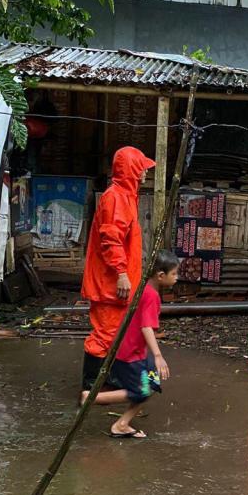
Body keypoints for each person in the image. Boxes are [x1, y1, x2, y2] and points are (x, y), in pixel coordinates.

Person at [81, 146, 155, 395]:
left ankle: (105, 378)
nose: (145, 173)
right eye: (142, 168)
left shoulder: (125, 196)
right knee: (105, 333)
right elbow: (110, 239)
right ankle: (91, 385)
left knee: (114, 332)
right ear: (132, 171)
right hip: (111, 282)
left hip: (116, 280)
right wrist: (122, 273)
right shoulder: (116, 198)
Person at [87, 250, 179, 439]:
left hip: (133, 351)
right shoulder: (152, 296)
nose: (177, 278)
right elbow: (146, 327)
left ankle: (122, 424)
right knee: (142, 390)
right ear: (161, 276)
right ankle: (92, 398)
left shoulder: (144, 288)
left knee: (152, 384)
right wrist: (159, 356)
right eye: (175, 274)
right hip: (130, 354)